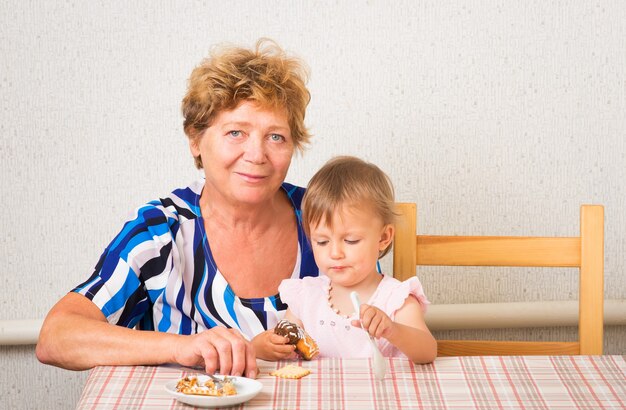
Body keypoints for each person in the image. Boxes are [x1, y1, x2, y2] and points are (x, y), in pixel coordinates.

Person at [36, 38, 319, 378]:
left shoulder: (323, 217)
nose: (257, 155)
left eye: (276, 137)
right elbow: (57, 337)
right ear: (195, 140)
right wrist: (181, 346)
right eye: (235, 133)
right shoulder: (160, 230)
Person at [277, 156, 437, 363]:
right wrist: (269, 347)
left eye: (351, 241)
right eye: (322, 242)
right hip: (320, 395)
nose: (335, 253)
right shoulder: (306, 296)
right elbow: (285, 343)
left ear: (383, 237)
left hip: (382, 394)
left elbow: (427, 352)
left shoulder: (396, 299)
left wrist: (392, 330)